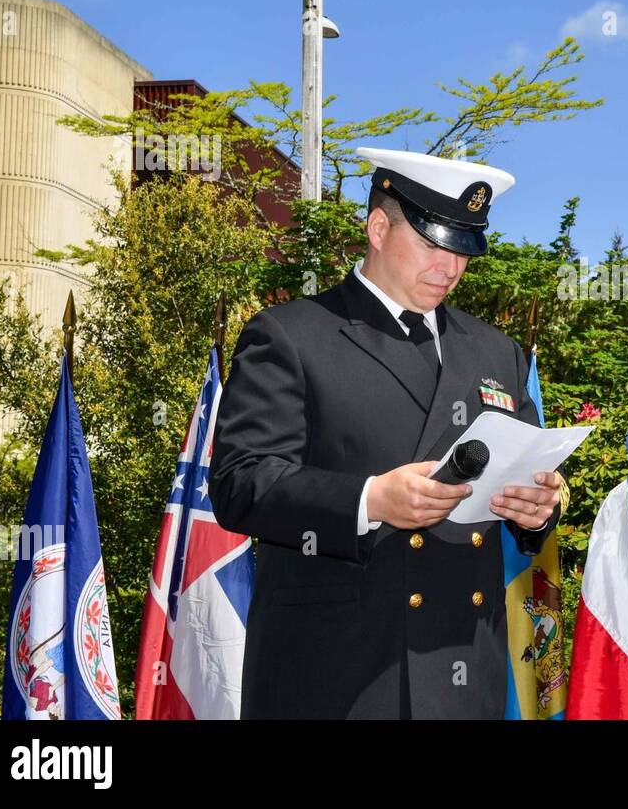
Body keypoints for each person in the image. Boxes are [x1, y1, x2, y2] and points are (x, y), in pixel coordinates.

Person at [210, 148, 564, 719]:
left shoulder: (497, 352)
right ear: (378, 227)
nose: (449, 268)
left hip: (463, 669)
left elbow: (526, 477)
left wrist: (539, 506)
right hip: (338, 675)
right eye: (432, 244)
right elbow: (240, 484)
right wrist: (370, 499)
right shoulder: (292, 336)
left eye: (462, 251)